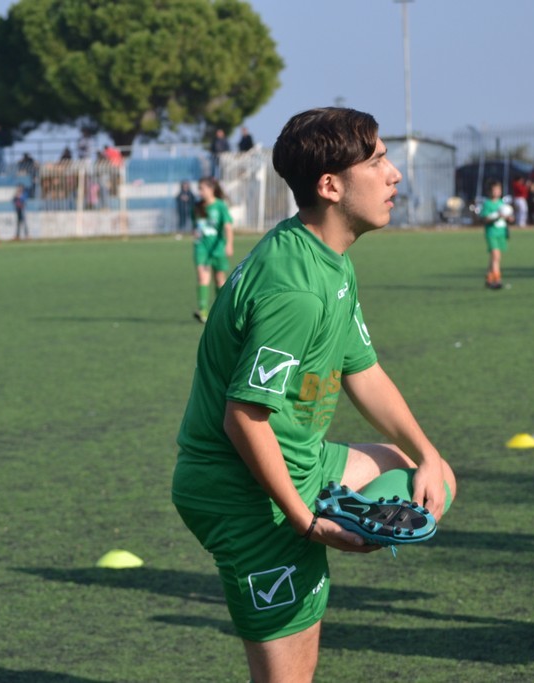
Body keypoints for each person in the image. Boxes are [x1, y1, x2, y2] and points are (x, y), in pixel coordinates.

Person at [172, 107, 456, 682]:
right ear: (330, 186)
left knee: (423, 473)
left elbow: (364, 373)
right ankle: (324, 516)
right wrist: (305, 523)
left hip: (299, 460)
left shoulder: (330, 261)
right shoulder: (294, 290)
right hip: (242, 492)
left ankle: (337, 508)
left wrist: (428, 453)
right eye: (377, 162)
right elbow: (243, 419)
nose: (395, 174)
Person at [190, 176, 233, 323]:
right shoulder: (197, 207)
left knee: (219, 279)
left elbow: (228, 227)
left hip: (217, 248)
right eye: (199, 189)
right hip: (201, 248)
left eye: (202, 189)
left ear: (211, 189)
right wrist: (195, 233)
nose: (200, 192)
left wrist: (229, 244)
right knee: (202, 278)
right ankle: (203, 311)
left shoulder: (220, 206)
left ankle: (222, 311)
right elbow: (195, 226)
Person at [477, 179, 511, 289]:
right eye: (494, 190)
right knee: (495, 256)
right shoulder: (487, 204)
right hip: (491, 233)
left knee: (496, 258)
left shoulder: (502, 203)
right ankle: (497, 280)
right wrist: (497, 216)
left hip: (501, 233)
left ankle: (489, 278)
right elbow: (485, 219)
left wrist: (509, 218)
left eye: (498, 190)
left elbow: (508, 217)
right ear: (489, 191)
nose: (496, 192)